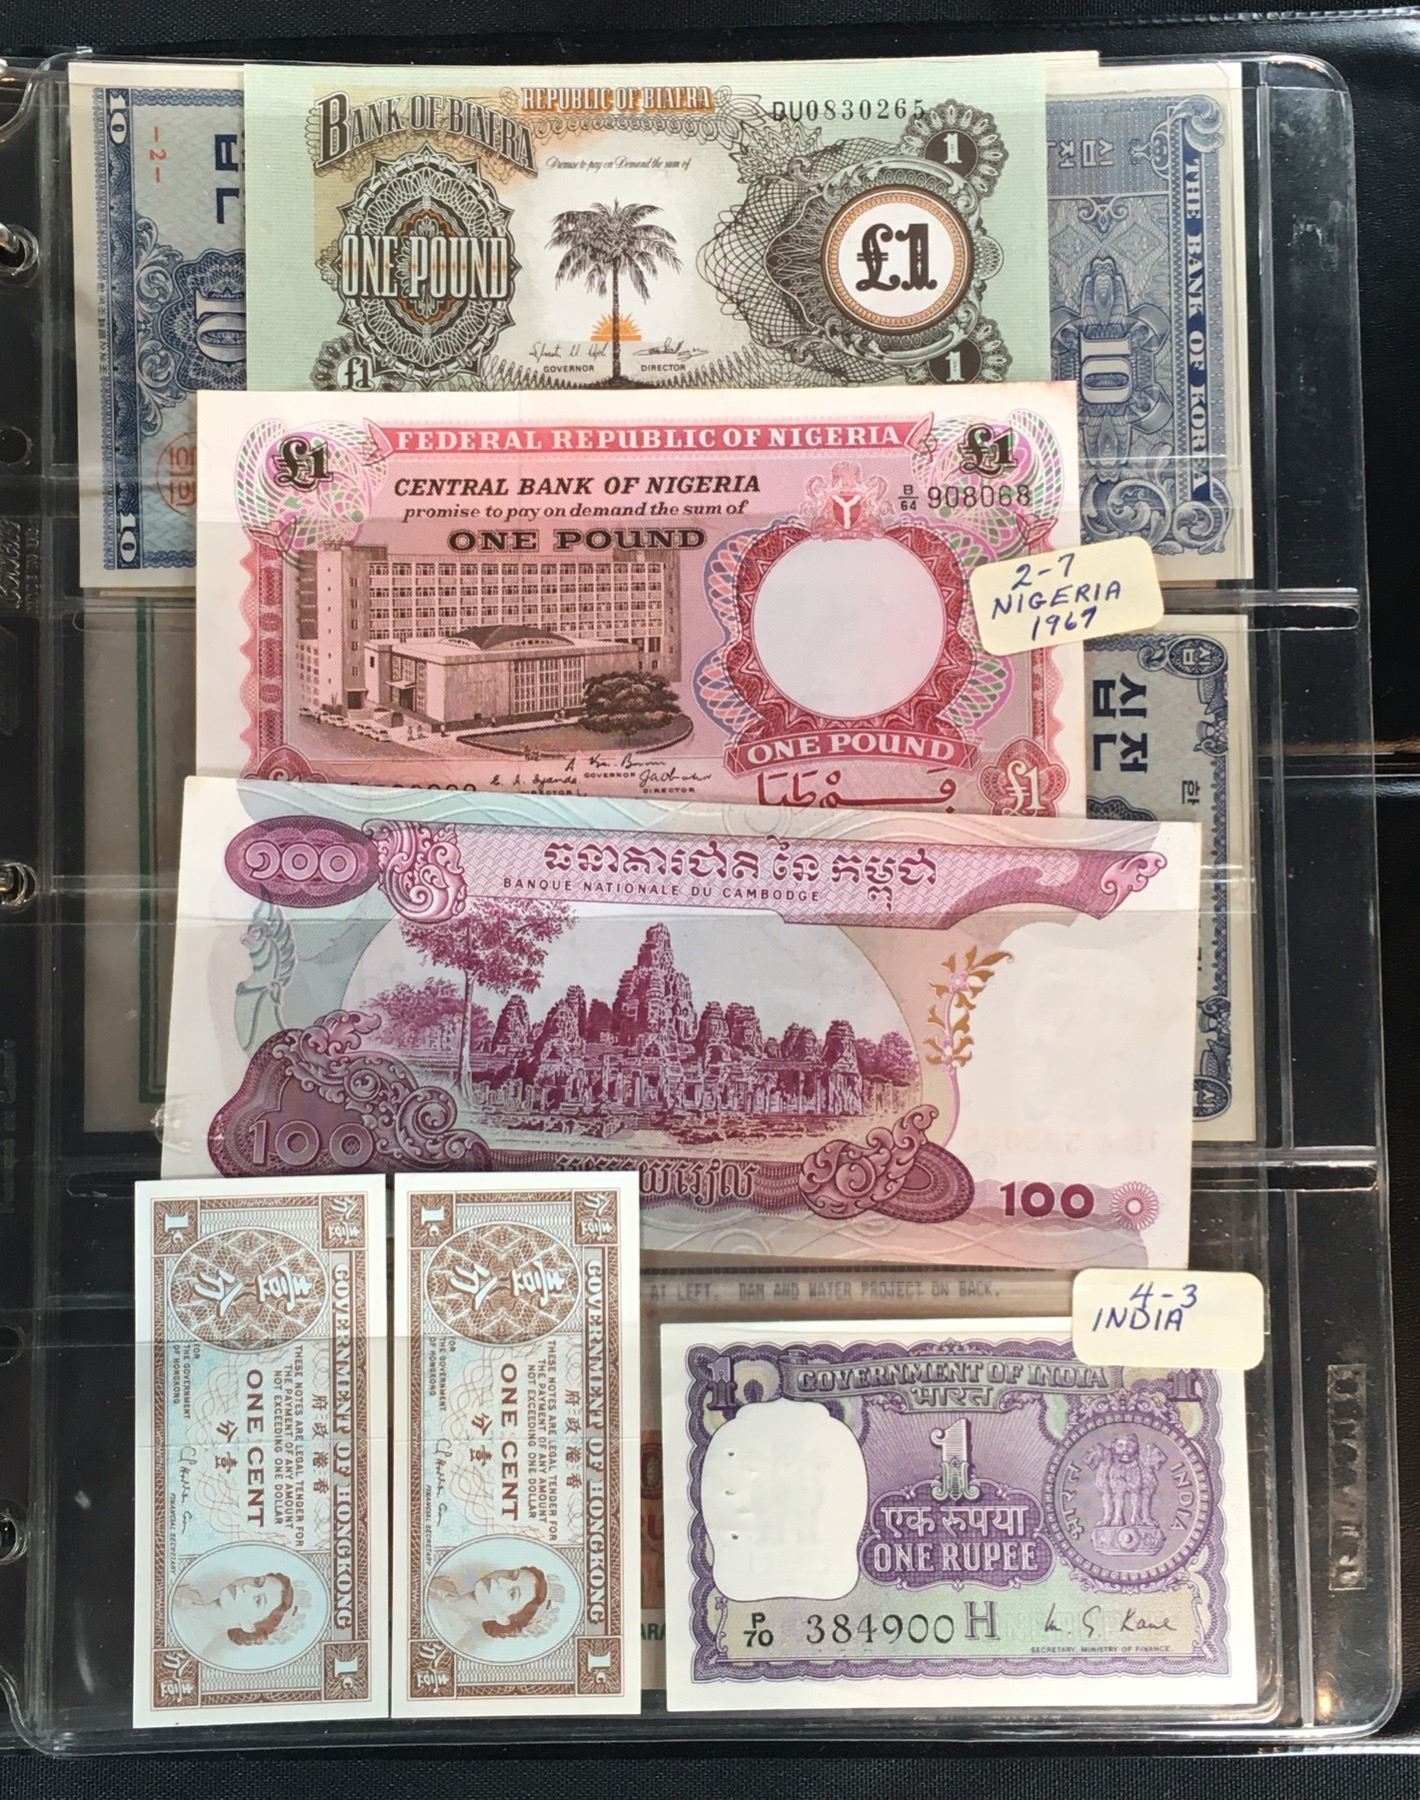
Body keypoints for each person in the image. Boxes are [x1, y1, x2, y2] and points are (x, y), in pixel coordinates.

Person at [173, 1570, 296, 1652]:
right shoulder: (184, 1586)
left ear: (248, 1626)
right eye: (257, 1581)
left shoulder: (186, 1646)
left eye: (258, 1600)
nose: (247, 1587)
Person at [429, 1563, 552, 1641]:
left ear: (503, 1619)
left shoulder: (444, 1632)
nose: (502, 1580)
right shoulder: (443, 1581)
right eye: (510, 1575)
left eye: (512, 1593)